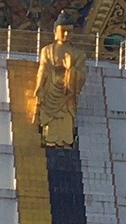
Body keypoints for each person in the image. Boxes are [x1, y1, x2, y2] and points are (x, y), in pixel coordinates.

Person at [33, 12, 87, 148]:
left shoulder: (79, 53)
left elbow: (82, 75)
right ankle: (49, 140)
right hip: (50, 89)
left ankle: (66, 141)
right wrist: (38, 87)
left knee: (66, 117)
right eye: (63, 31)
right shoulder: (47, 50)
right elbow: (42, 69)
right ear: (55, 32)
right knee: (51, 121)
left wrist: (71, 69)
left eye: (69, 31)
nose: (66, 34)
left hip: (67, 92)